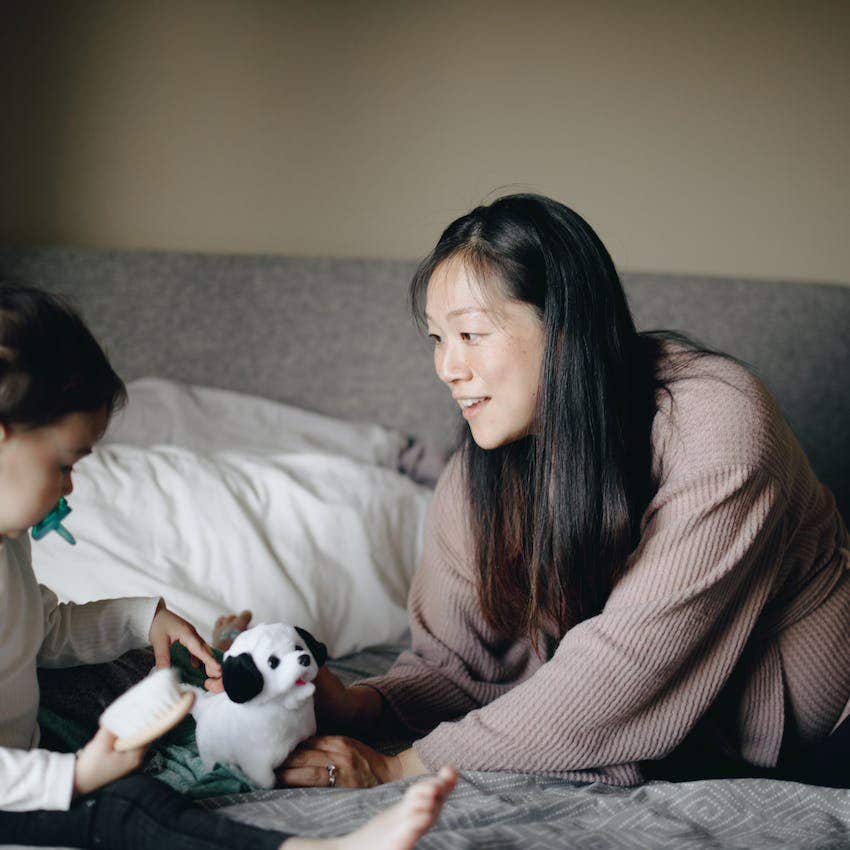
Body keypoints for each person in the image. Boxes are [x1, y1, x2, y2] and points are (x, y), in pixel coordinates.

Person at [227, 193, 848, 790]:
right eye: (437, 339)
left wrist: (404, 767)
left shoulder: (718, 420)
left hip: (816, 732)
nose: (447, 368)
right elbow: (457, 669)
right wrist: (363, 707)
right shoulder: (480, 471)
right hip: (676, 740)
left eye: (470, 335)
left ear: (566, 328)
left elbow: (625, 665)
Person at [0, 282, 457, 849]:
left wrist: (141, 619)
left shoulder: (8, 540)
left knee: (138, 674)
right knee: (127, 810)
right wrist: (72, 778)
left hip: (30, 745)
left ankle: (238, 725)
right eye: (64, 465)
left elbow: (42, 631)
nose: (70, 487)